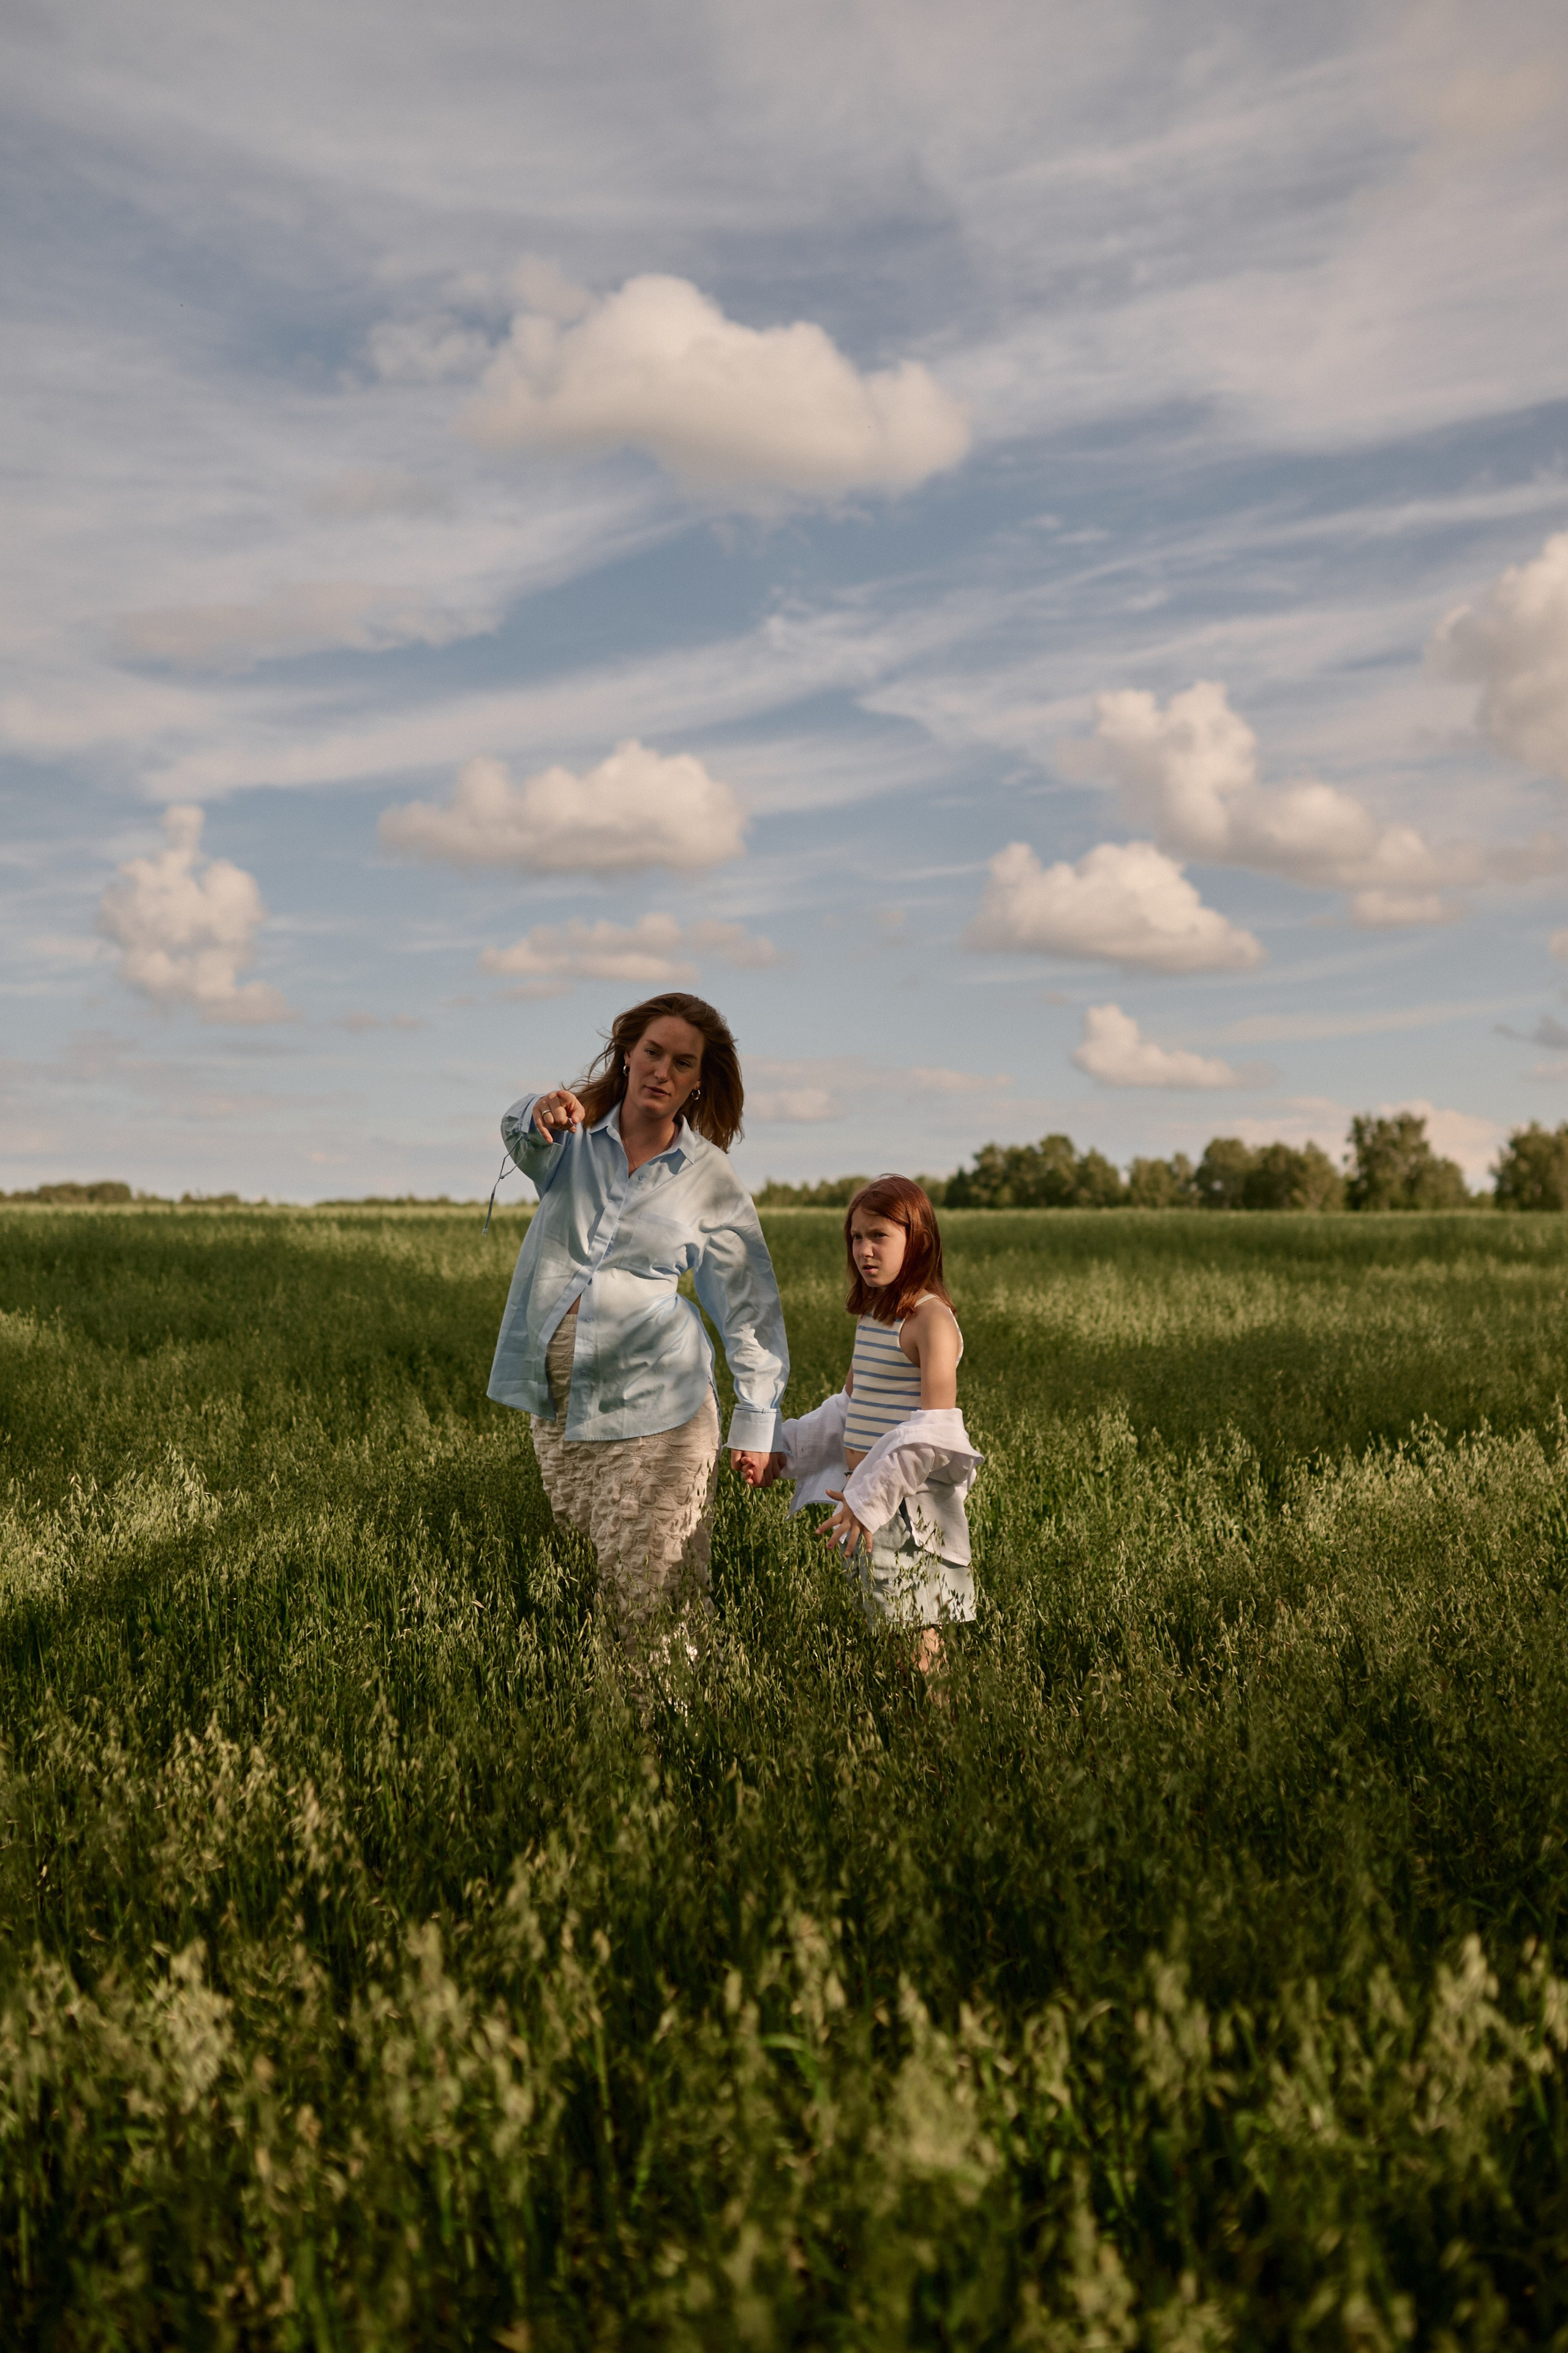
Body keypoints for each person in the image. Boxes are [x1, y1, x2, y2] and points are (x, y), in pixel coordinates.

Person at [488, 993, 788, 1645]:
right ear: (627, 1053)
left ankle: (655, 1735)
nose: (662, 1070)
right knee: (599, 1581)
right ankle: (650, 1732)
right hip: (563, 1410)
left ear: (697, 1081)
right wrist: (537, 1106)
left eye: (683, 1062)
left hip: (661, 1410)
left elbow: (748, 1306)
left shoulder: (710, 1178)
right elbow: (518, 1136)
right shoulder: (568, 1142)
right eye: (652, 1051)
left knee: (646, 1598)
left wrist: (757, 1419)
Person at [771, 1176, 981, 1676]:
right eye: (856, 1237)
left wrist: (868, 1503)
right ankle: (919, 1728)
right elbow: (849, 1406)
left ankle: (942, 1736)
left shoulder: (931, 1321)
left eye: (879, 1237)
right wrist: (782, 1451)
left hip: (906, 1508)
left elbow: (935, 1434)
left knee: (915, 1634)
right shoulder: (873, 1315)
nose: (865, 1250)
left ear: (918, 1240)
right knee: (894, 1632)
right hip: (869, 1506)